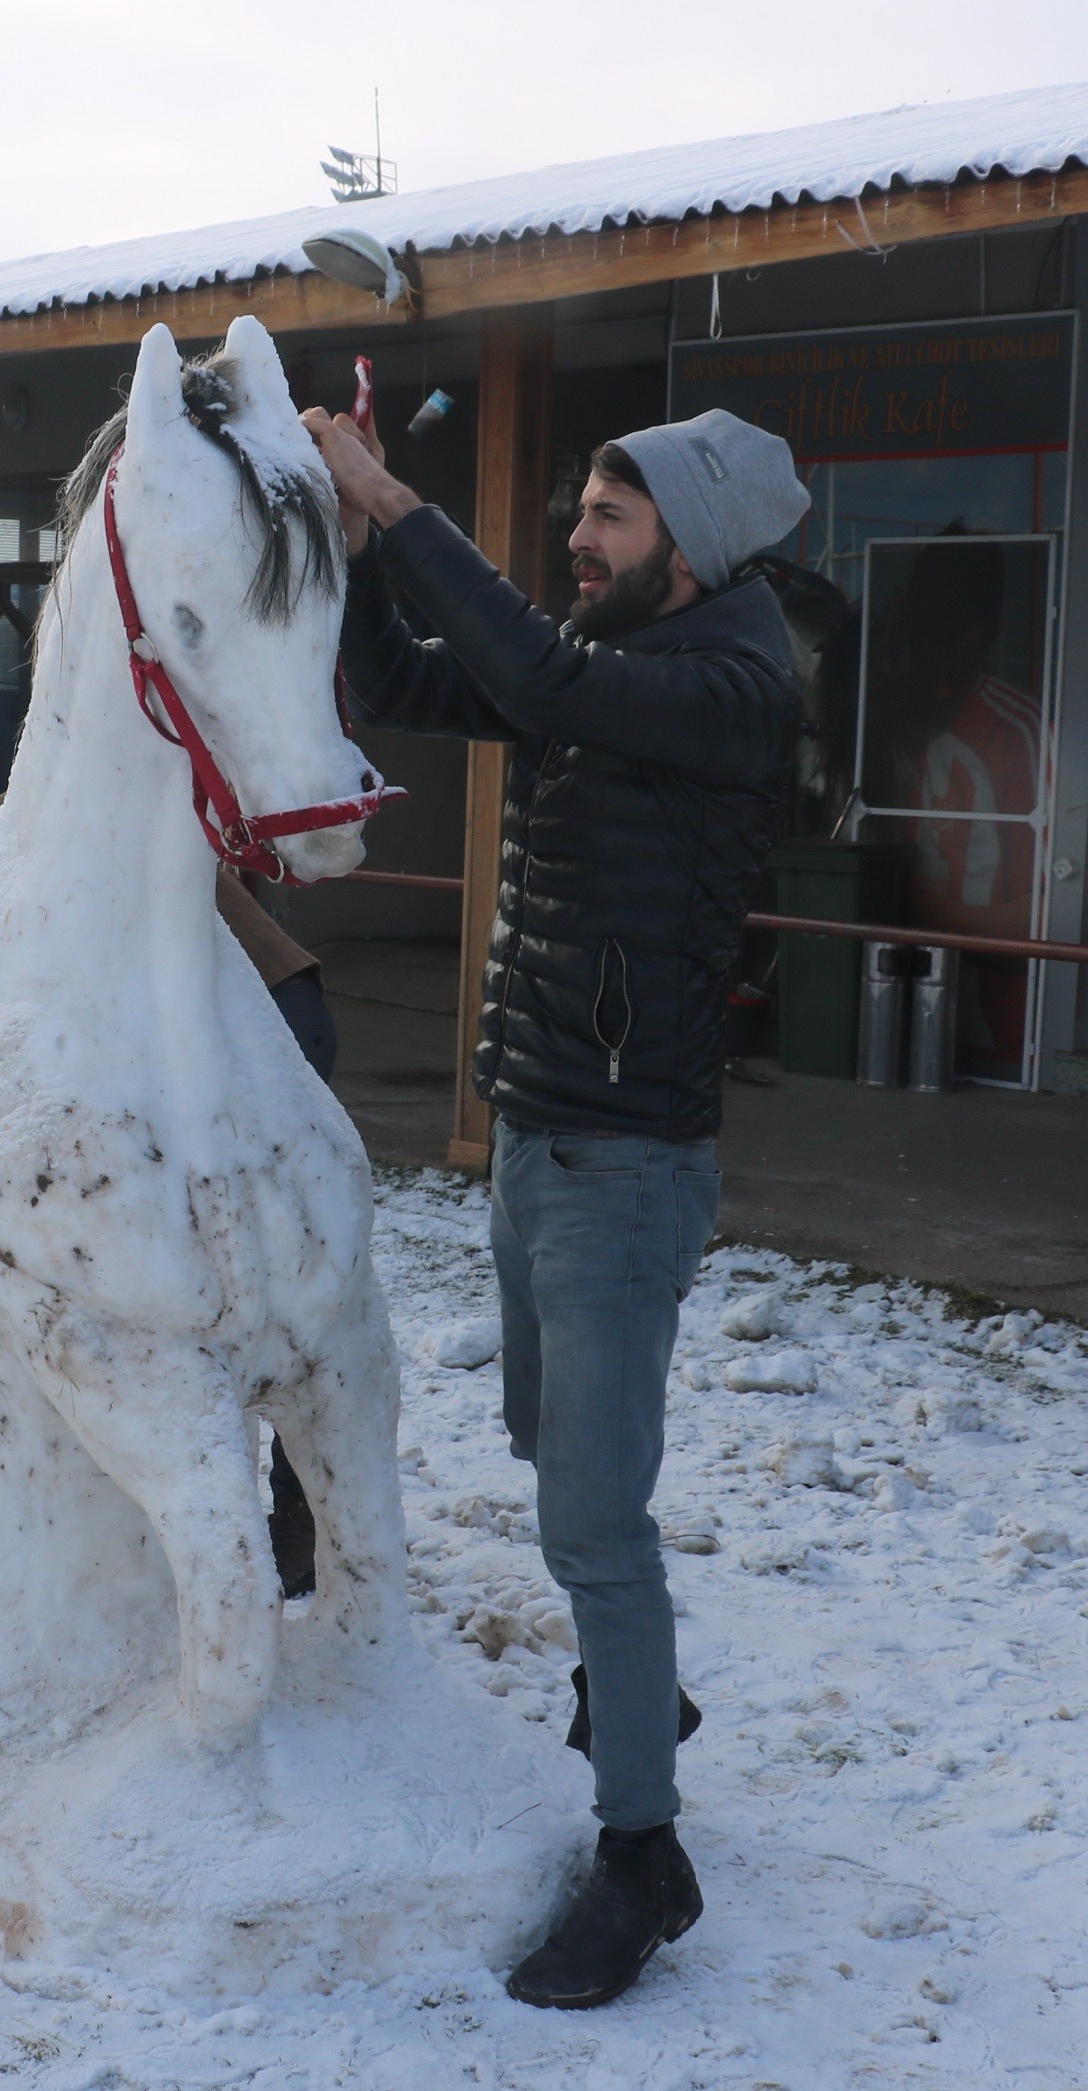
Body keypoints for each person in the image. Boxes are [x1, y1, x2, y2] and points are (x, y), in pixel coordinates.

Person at [306, 402, 806, 2009]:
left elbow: (534, 677)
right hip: (538, 1133)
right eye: (583, 510)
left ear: (695, 543)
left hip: (626, 1166)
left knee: (595, 1516)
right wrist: (363, 551)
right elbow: (398, 687)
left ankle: (643, 1850)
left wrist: (395, 501)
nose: (578, 539)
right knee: (542, 1440)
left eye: (610, 516)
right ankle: (636, 1681)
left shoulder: (732, 683)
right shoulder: (604, 653)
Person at [0, 783, 335, 1597]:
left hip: (261, 1032)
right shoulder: (70, 812)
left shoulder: (30, 810)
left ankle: (281, 1515)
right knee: (254, 1286)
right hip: (257, 1022)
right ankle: (278, 1511)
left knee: (257, 1296)